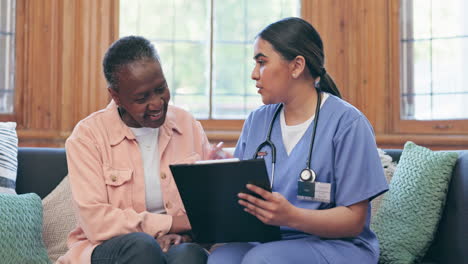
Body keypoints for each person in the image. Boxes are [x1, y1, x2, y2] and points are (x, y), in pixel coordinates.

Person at [208, 17, 389, 264]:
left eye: (262, 62)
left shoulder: (348, 124)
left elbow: (354, 221)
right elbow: (244, 200)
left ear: (296, 66)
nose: (253, 74)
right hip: (270, 239)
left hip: (338, 245)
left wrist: (290, 216)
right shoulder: (257, 121)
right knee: (222, 258)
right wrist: (218, 174)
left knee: (262, 260)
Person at [58, 36, 223, 264]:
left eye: (161, 88)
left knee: (190, 255)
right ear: (116, 96)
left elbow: (208, 207)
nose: (156, 103)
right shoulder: (88, 137)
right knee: (143, 247)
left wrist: (184, 234)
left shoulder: (187, 125)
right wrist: (171, 225)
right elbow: (97, 222)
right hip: (109, 249)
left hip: (175, 244)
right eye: (142, 97)